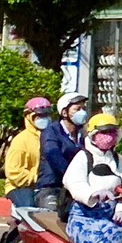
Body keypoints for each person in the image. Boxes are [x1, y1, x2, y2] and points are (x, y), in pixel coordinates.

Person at [63, 111, 122, 243]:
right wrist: (93, 194)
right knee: (109, 234)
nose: (108, 137)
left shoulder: (115, 159)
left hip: (111, 212)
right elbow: (72, 182)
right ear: (93, 135)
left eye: (112, 132)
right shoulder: (83, 157)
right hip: (86, 216)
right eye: (104, 132)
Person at [39, 93, 88, 221]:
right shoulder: (52, 131)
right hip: (51, 189)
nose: (82, 112)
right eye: (77, 109)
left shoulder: (83, 136)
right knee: (54, 222)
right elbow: (52, 153)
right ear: (65, 113)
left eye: (84, 109)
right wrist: (72, 175)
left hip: (73, 189)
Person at [3, 95, 52, 210]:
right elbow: (13, 172)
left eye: (46, 115)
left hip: (49, 185)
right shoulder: (21, 141)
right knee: (30, 210)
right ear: (28, 117)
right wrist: (36, 178)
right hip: (21, 187)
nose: (43, 118)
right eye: (38, 116)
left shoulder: (54, 137)